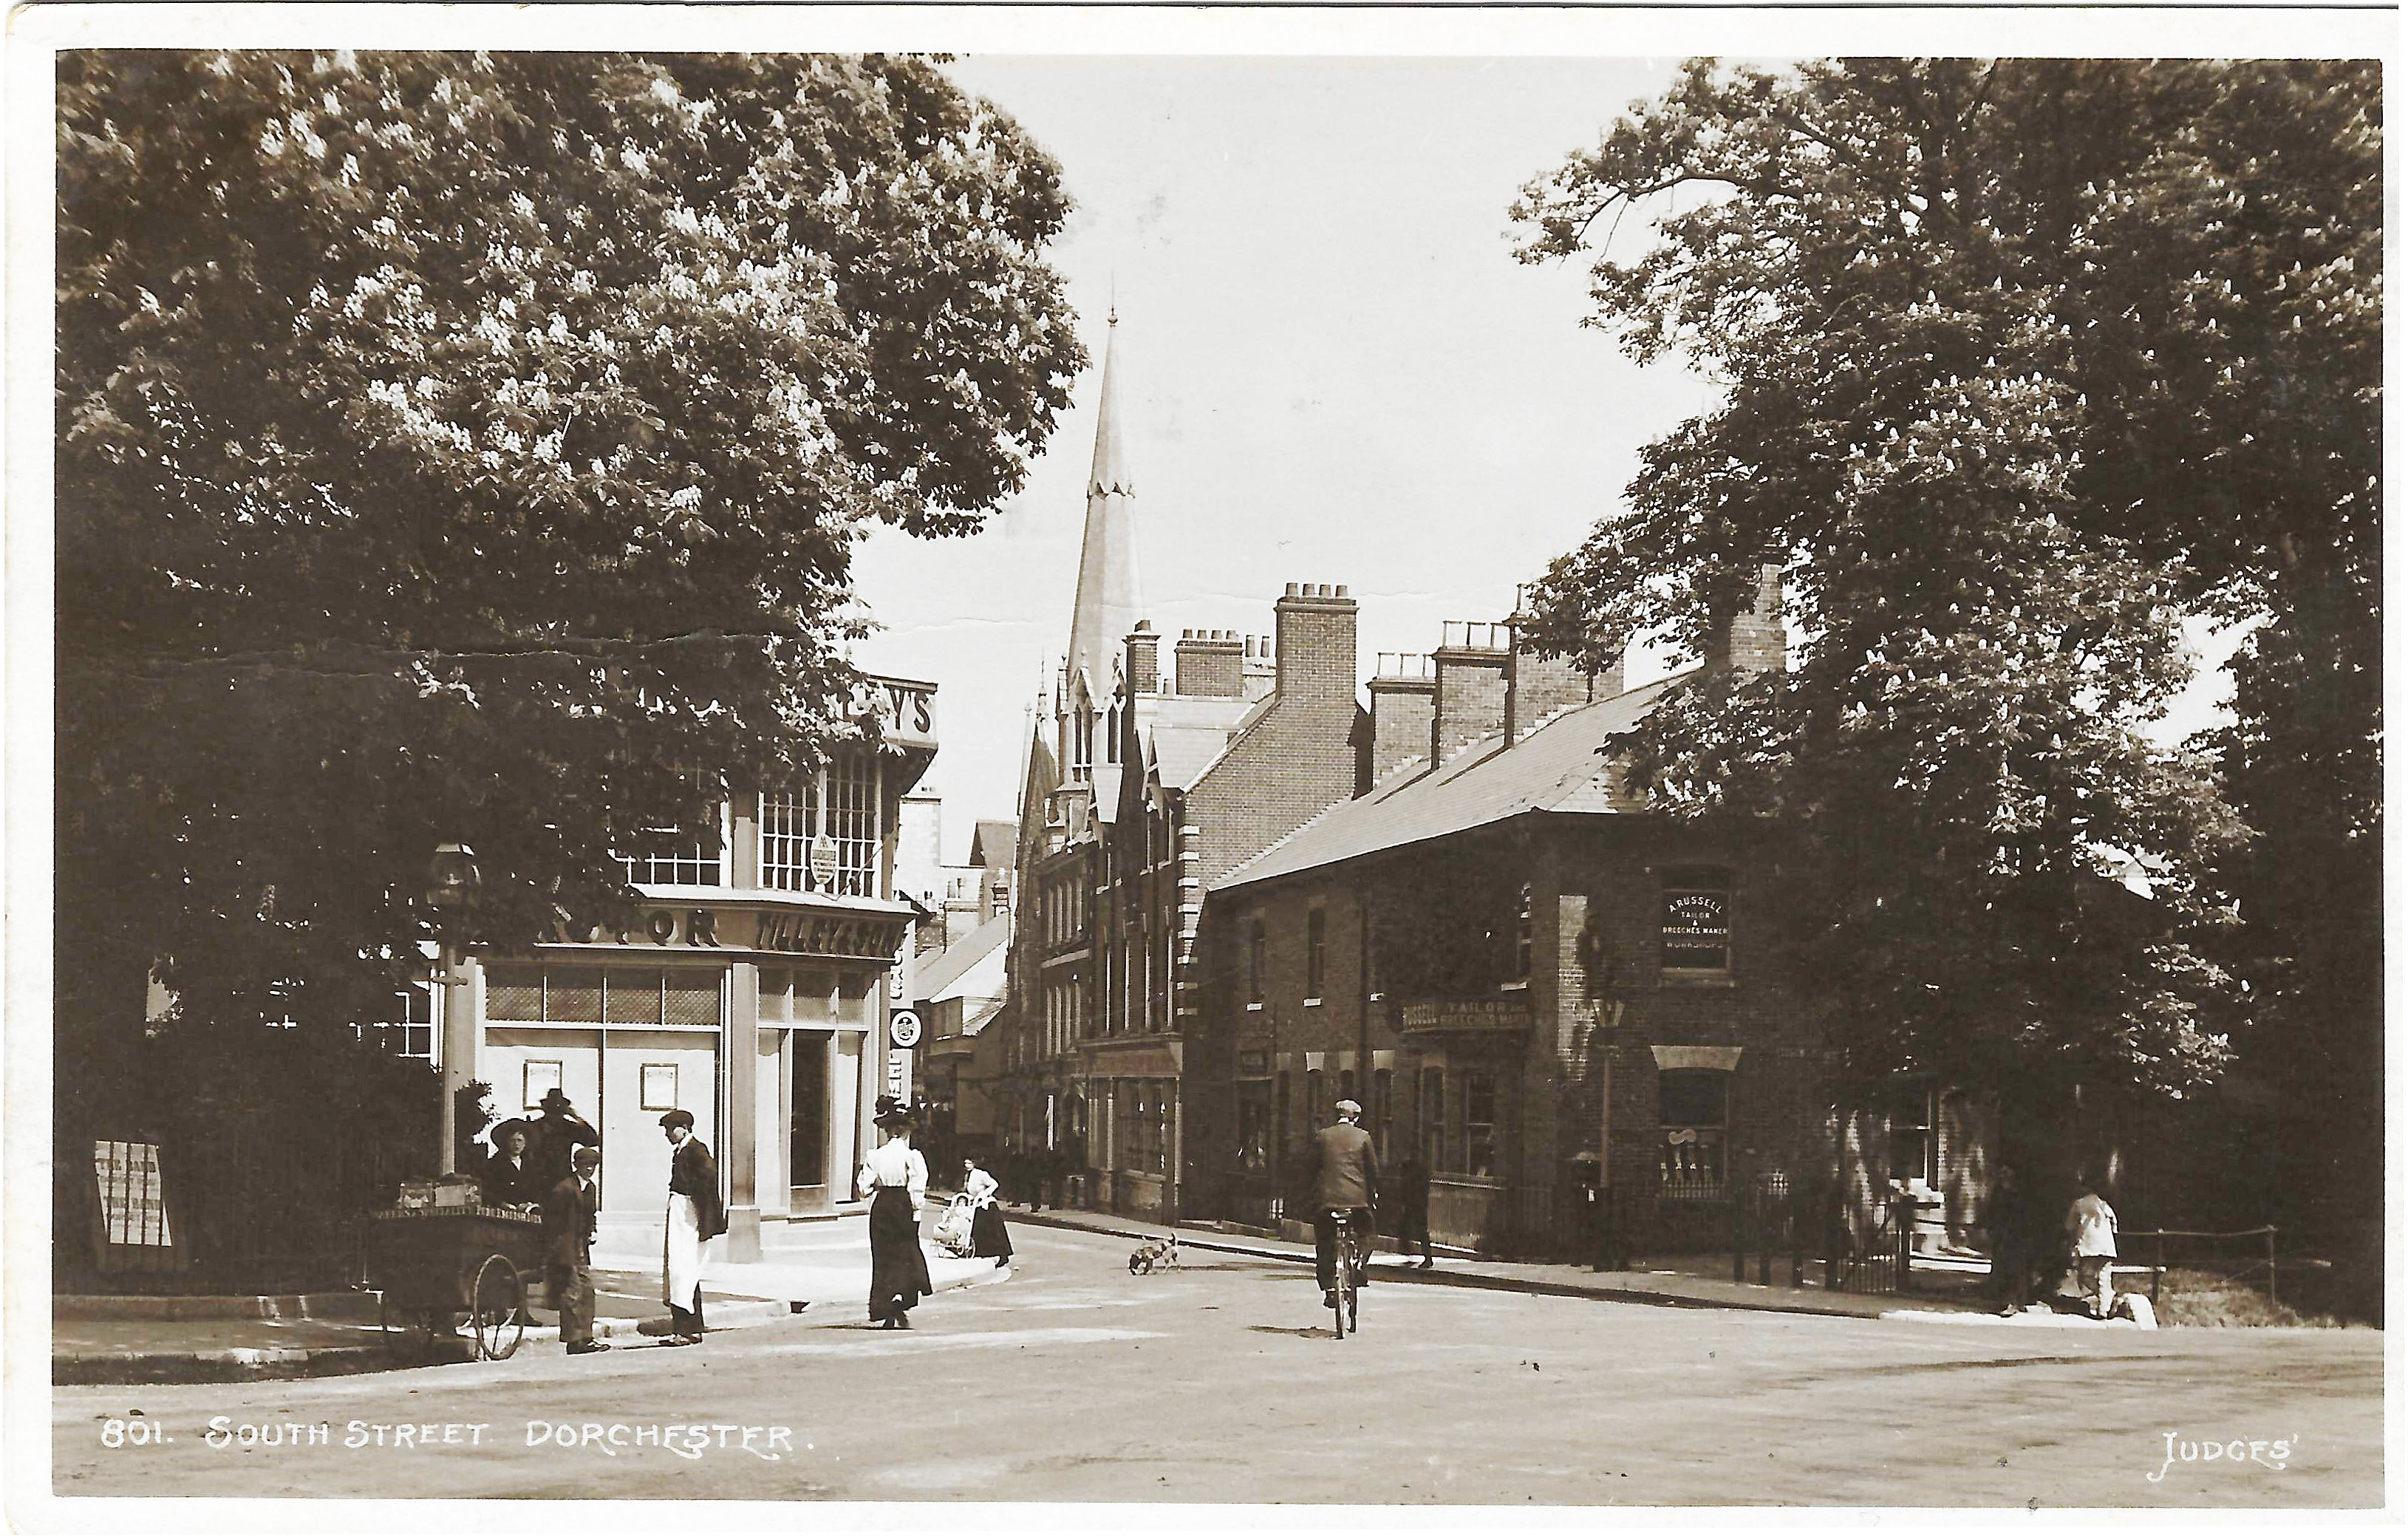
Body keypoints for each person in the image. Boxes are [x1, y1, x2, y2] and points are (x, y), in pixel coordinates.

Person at [859, 1094, 932, 1329]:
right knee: (905, 1254)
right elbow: (917, 1190)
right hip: (903, 1204)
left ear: (888, 1131)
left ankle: (886, 1307)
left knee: (883, 1257)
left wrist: (877, 1187)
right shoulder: (912, 1156)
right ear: (905, 1131)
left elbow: (863, 1188)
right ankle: (901, 1296)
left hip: (882, 1206)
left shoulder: (875, 1155)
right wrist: (915, 1215)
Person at [659, 1108, 726, 1346]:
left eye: (670, 1129)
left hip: (689, 1214)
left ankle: (685, 1330)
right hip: (681, 1210)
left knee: (683, 1270)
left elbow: (707, 1182)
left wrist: (704, 1218)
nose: (667, 1134)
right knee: (682, 1271)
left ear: (684, 1129)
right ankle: (692, 1327)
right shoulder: (682, 1151)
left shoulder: (696, 1150)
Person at [1309, 1099, 1380, 1310]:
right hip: (1357, 1201)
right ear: (1356, 1118)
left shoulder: (1323, 1136)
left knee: (1324, 1244)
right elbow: (1373, 1170)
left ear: (1336, 1117)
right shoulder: (1364, 1137)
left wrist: (1312, 1195)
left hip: (1328, 1202)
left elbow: (1311, 1168)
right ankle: (1359, 1263)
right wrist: (1373, 1194)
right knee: (1368, 1233)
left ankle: (1330, 1289)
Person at [542, 1144, 609, 1355]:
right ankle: (573, 1340)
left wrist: (593, 1231)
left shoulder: (590, 1188)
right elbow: (552, 1221)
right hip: (565, 1247)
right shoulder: (564, 1188)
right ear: (576, 1165)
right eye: (585, 1165)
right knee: (572, 1292)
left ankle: (587, 1338)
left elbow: (591, 1215)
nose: (590, 1169)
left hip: (581, 1247)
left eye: (593, 1165)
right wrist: (556, 1249)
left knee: (587, 1291)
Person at [525, 1088, 601, 1197]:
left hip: (562, 1178)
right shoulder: (535, 1127)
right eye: (552, 1111)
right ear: (546, 1111)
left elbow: (593, 1140)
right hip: (538, 1179)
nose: (555, 1116)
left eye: (559, 1111)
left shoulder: (568, 1128)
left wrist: (576, 1117)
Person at [2064, 1170, 2119, 1320]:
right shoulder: (2103, 1204)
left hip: (2089, 1246)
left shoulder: (2079, 1204)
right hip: (2107, 1246)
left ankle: (2106, 1300)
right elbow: (2114, 1223)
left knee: (2085, 1276)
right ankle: (2105, 1305)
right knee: (2104, 1276)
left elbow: (2069, 1226)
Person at [1988, 1162, 2036, 1315]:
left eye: (2006, 1173)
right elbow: (1992, 1212)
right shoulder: (1999, 1192)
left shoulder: (2020, 1194)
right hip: (2001, 1236)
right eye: (2001, 1174)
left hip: (2017, 1237)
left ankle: (2013, 1302)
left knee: (2016, 1270)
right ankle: (2003, 1301)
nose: (2003, 1176)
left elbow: (2026, 1217)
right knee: (2001, 1269)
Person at [961, 1153, 1013, 1267]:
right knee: (976, 1229)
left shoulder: (981, 1174)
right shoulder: (967, 1176)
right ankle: (979, 1252)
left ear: (975, 1163)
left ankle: (1002, 1255)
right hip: (976, 1205)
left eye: (969, 1163)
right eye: (965, 1163)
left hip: (987, 1206)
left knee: (993, 1231)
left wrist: (984, 1194)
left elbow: (994, 1184)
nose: (967, 1165)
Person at [479, 1119, 539, 1208]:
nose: (516, 1144)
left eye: (520, 1140)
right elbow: (487, 1191)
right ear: (506, 1142)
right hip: (504, 1211)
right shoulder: (495, 1164)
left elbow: (538, 1190)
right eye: (512, 1140)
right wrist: (502, 1204)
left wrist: (532, 1204)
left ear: (525, 1143)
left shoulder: (531, 1165)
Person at [1394, 1143, 1435, 1271]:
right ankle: (1424, 1256)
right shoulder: (1421, 1169)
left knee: (1413, 1229)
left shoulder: (1410, 1168)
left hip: (1413, 1203)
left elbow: (1405, 1186)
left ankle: (1422, 1256)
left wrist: (1404, 1200)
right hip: (1418, 1203)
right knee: (1416, 1229)